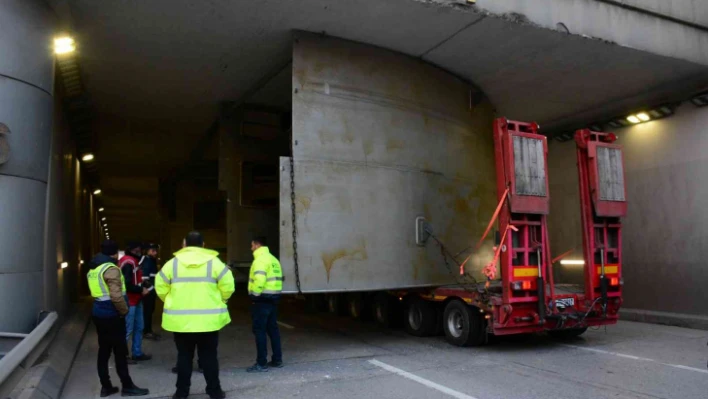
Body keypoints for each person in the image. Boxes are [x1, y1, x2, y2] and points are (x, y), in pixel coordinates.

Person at [156, 231, 234, 399]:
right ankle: (214, 391)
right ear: (203, 245)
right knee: (209, 358)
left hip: (181, 322)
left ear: (184, 245)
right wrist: (221, 300)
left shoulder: (172, 264)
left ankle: (181, 393)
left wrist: (172, 301)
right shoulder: (215, 263)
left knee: (184, 357)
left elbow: (160, 288)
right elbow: (228, 286)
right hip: (209, 322)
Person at [87, 240, 149, 397]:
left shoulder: (94, 268)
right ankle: (127, 386)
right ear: (114, 253)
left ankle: (106, 386)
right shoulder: (111, 269)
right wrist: (124, 311)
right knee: (120, 352)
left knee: (104, 350)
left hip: (98, 312)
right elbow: (116, 296)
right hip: (112, 313)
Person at [246, 236, 284, 373]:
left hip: (261, 300)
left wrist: (254, 296)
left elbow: (260, 280)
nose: (251, 248)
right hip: (273, 299)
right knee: (273, 330)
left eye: (252, 245)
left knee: (259, 331)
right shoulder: (273, 259)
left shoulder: (260, 260)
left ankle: (261, 363)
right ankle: (277, 359)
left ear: (256, 245)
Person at [119, 241, 152, 362]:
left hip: (136, 300)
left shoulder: (130, 261)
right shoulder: (129, 262)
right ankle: (122, 356)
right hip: (130, 300)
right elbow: (127, 284)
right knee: (128, 329)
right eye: (138, 250)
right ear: (134, 250)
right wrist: (141, 289)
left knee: (139, 327)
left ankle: (136, 353)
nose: (140, 252)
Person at [141, 243, 161, 340]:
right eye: (153, 250)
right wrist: (151, 290)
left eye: (156, 250)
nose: (155, 253)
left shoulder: (150, 260)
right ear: (148, 251)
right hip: (148, 293)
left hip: (150, 292)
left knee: (149, 312)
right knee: (147, 312)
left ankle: (148, 330)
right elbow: (144, 279)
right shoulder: (147, 261)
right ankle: (146, 331)